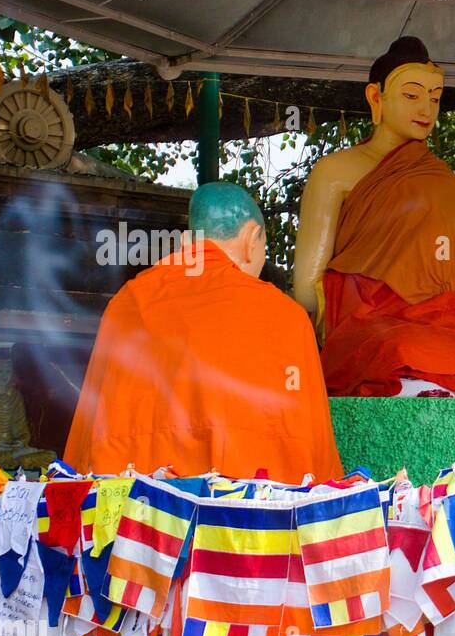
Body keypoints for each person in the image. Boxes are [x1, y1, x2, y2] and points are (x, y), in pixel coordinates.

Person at [65, 182, 342, 482]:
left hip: (136, 513)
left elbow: (88, 437)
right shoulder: (286, 317)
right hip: (247, 518)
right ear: (252, 239)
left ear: (188, 241)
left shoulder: (127, 303)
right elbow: (315, 452)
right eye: (264, 247)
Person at [293, 36, 455, 396]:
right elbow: (307, 288)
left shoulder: (441, 179)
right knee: (396, 347)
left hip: (450, 325)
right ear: (376, 98)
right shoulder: (336, 172)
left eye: (434, 98)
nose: (426, 108)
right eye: (411, 95)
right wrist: (356, 311)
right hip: (375, 323)